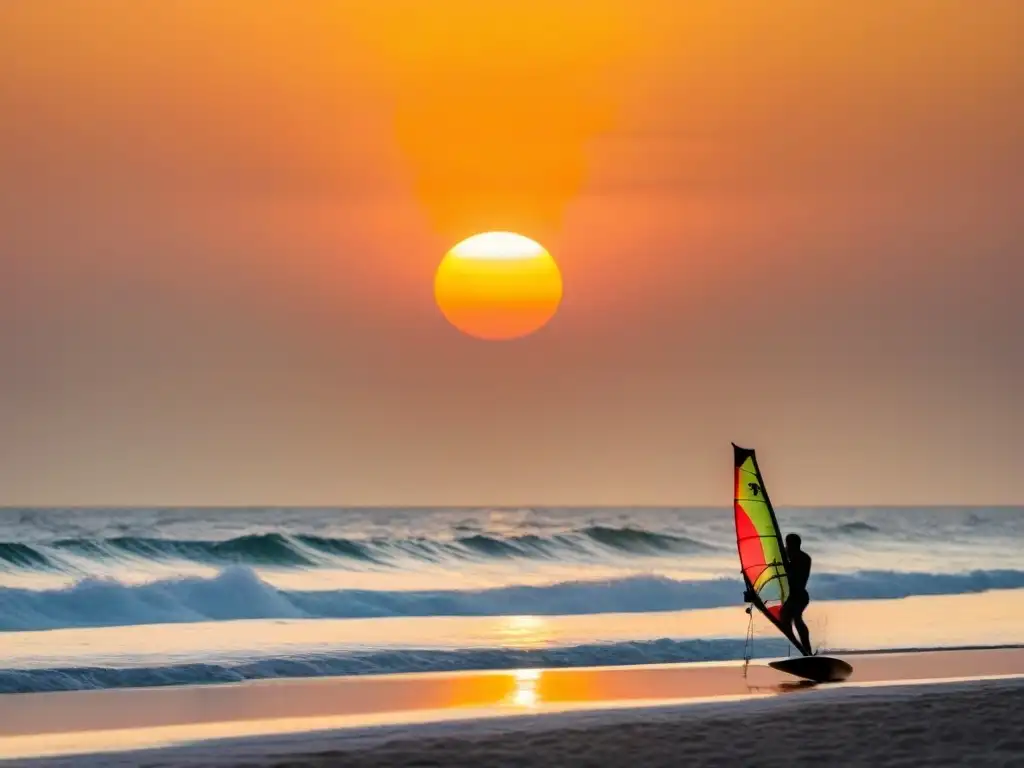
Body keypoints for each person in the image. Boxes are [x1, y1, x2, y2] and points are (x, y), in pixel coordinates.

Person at [783, 532, 814, 655]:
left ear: (796, 545)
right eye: (787, 545)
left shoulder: (803, 558)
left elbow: (793, 575)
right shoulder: (792, 556)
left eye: (789, 545)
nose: (787, 547)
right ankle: (803, 650)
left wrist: (784, 558)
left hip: (799, 596)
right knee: (785, 622)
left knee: (796, 618)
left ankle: (807, 650)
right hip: (791, 597)